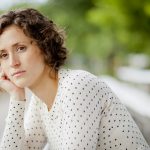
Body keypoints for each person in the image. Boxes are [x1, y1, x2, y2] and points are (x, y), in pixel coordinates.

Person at [0, 8, 149, 150]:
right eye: (4, 55)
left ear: (44, 45)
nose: (13, 62)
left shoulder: (76, 86)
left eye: (20, 48)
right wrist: (16, 96)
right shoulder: (40, 102)